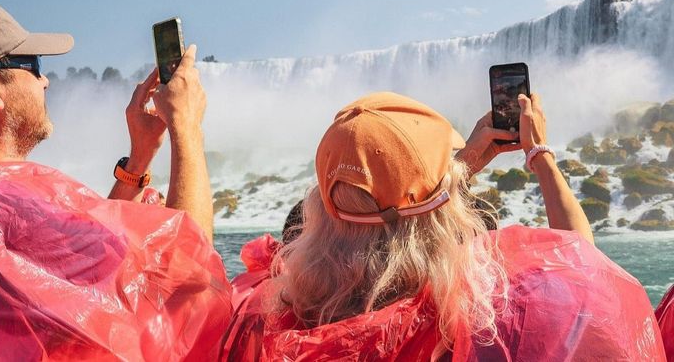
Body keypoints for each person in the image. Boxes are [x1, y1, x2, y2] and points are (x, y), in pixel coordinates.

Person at [0, 2, 230, 360]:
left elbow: (93, 267)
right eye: (33, 66)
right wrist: (186, 126)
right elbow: (193, 280)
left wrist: (138, 158)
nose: (45, 80)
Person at [221, 91, 664, 361]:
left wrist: (453, 170)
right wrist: (539, 154)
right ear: (444, 212)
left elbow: (384, 210)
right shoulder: (478, 318)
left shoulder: (265, 319)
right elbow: (581, 264)